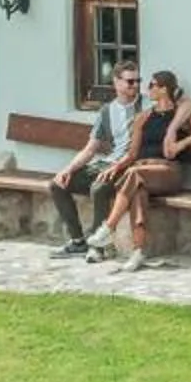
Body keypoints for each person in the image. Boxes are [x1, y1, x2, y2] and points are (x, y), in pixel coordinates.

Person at [92, 69, 191, 272]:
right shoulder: (143, 117)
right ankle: (138, 252)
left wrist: (182, 143)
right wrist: (116, 166)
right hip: (142, 171)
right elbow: (133, 154)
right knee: (138, 192)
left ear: (164, 89)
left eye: (152, 85)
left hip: (168, 172)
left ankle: (109, 227)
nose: (147, 89)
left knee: (134, 175)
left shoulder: (180, 114)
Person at [49, 64, 143, 256]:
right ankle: (77, 241)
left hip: (131, 166)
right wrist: (68, 169)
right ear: (116, 82)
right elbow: (91, 148)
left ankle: (98, 245)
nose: (135, 85)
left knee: (98, 188)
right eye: (130, 81)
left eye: (138, 81)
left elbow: (181, 102)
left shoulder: (145, 105)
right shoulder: (107, 111)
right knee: (57, 184)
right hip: (108, 162)